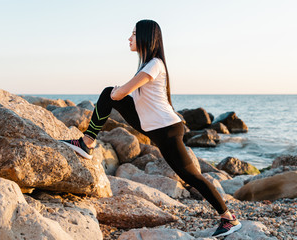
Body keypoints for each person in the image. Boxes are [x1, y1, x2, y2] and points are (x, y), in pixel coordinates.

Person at [61, 19, 241, 237]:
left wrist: (117, 92)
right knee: (108, 92)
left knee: (193, 177)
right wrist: (116, 93)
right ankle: (86, 142)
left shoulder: (154, 64)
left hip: (167, 131)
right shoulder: (147, 65)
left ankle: (229, 219)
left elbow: (119, 94)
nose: (129, 38)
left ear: (146, 37)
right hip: (153, 127)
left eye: (134, 34)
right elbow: (119, 96)